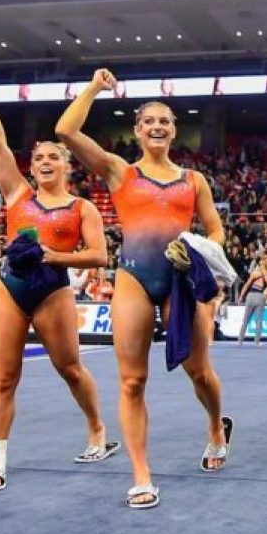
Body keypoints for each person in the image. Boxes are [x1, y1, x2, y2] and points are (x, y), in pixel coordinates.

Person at [56, 68, 231, 509]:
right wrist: (95, 87)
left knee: (199, 371)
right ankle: (141, 475)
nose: (157, 127)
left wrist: (198, 249)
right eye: (149, 121)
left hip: (179, 281)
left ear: (175, 131)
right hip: (134, 276)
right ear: (137, 131)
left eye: (165, 121)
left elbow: (216, 231)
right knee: (132, 380)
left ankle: (215, 425)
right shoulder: (119, 172)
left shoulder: (194, 181)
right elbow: (65, 129)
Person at [0, 70, 115, 492]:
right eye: (39, 159)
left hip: (52, 289)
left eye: (53, 157)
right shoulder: (17, 193)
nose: (45, 163)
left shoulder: (82, 207)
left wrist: (55, 256)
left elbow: (100, 255)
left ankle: (97, 431)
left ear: (67, 164)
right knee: (3, 378)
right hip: (10, 287)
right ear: (30, 168)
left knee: (70, 368)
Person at [238, 258, 267, 345]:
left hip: (250, 295)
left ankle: (240, 340)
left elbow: (246, 285)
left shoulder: (255, 274)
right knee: (259, 320)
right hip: (260, 296)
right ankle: (257, 341)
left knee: (246, 319)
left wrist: (241, 296)